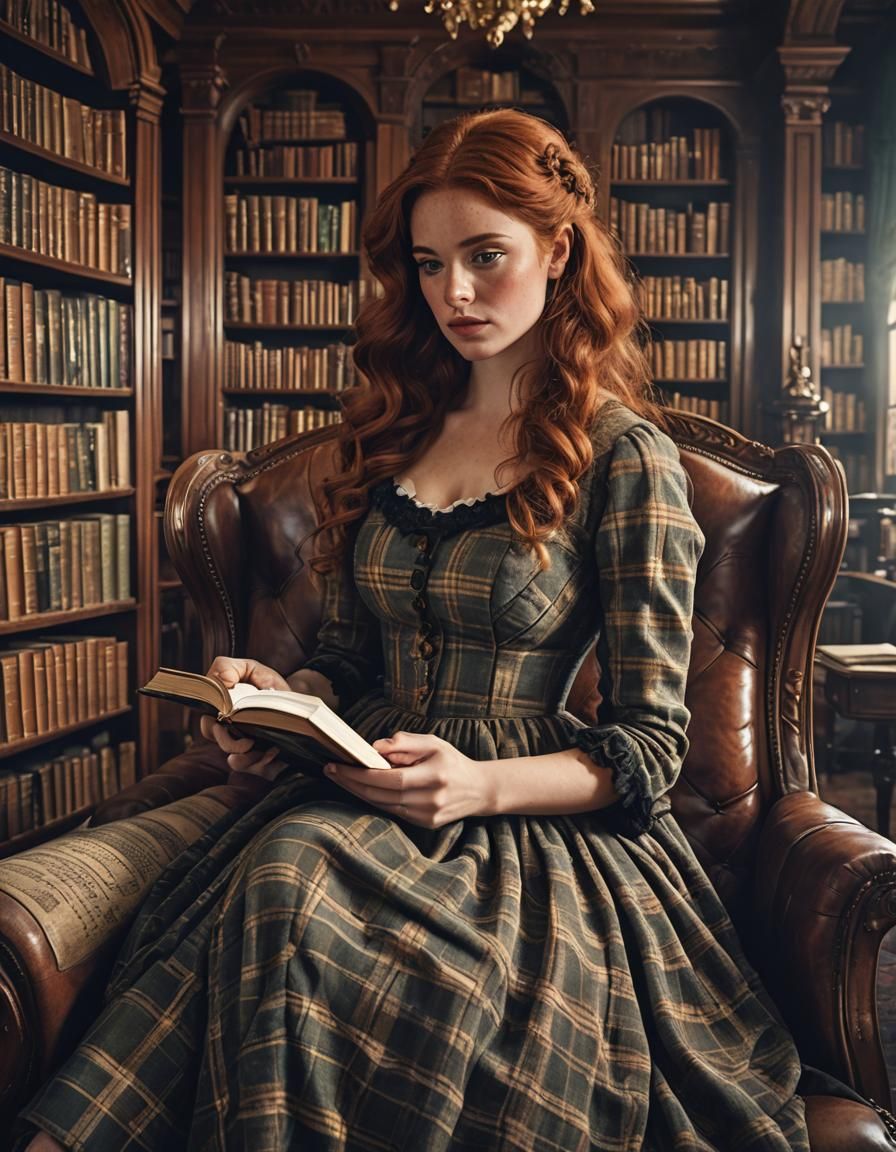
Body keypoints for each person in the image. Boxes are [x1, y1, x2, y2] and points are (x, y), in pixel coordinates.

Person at [18, 108, 810, 1151]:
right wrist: (284, 700)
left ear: (557, 251)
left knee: (294, 879)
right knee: (282, 875)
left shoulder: (625, 459)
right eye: (429, 264)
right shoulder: (391, 438)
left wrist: (477, 786)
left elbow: (651, 749)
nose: (454, 294)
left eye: (486, 256)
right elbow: (344, 660)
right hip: (357, 788)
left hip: (529, 825)